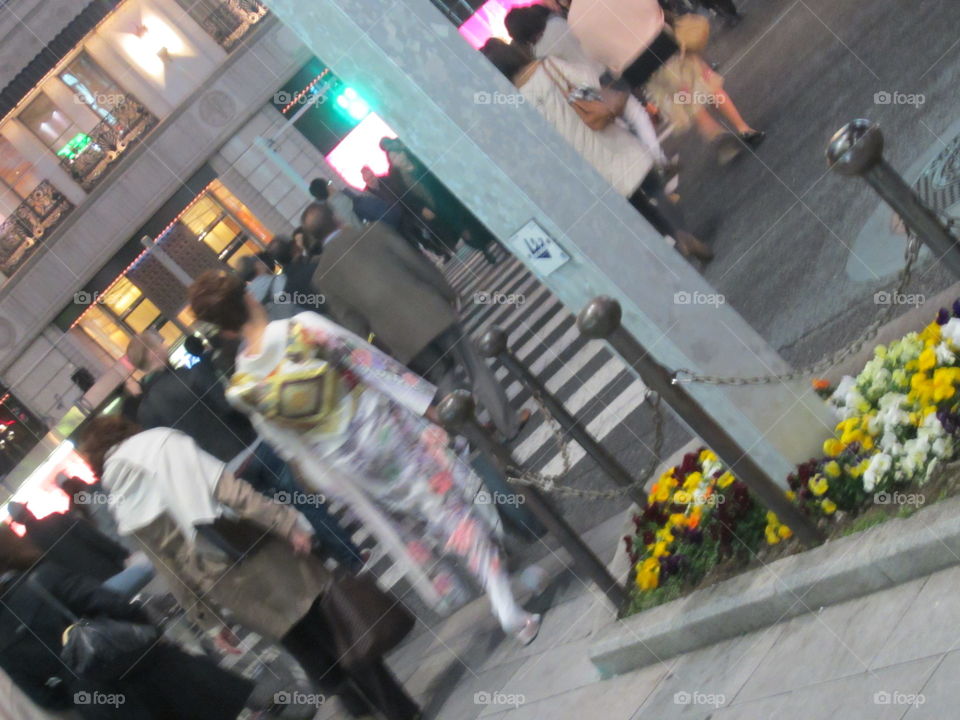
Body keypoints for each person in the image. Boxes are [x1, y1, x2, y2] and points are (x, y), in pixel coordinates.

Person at [188, 269, 542, 643]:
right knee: (452, 510)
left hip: (347, 463)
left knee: (425, 522)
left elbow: (288, 444)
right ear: (250, 297)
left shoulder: (242, 388)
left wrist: (329, 483)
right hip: (387, 432)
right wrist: (430, 407)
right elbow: (373, 365)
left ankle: (511, 581)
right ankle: (507, 608)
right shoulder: (302, 328)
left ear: (224, 330)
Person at [78, 417, 420, 720]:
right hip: (261, 554)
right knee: (338, 629)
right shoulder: (162, 444)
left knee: (306, 651)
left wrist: (209, 621)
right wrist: (286, 523)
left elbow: (169, 569)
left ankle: (361, 711)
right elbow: (233, 493)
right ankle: (400, 712)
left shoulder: (120, 497)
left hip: (225, 582)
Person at [126, 331, 364, 572]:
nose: (165, 343)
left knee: (276, 521)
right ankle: (351, 557)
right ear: (153, 352)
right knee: (305, 502)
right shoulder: (192, 374)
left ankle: (324, 570)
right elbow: (227, 406)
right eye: (160, 342)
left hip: (225, 474)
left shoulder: (147, 413)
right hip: (250, 447)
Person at [0, 526, 281, 720]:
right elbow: (115, 605)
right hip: (143, 664)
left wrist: (82, 692)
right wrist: (150, 634)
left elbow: (43, 696)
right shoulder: (43, 580)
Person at [302, 203, 530, 440]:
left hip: (397, 336)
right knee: (474, 365)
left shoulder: (322, 277)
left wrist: (379, 348)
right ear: (336, 217)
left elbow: (353, 324)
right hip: (429, 309)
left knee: (444, 380)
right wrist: (447, 292)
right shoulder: (373, 232)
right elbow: (415, 262)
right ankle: (508, 423)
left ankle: (485, 441)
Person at [481, 39, 712, 261]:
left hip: (584, 163)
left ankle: (674, 238)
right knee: (654, 188)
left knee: (636, 207)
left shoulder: (515, 103)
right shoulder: (548, 66)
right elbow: (590, 80)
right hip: (606, 136)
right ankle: (683, 233)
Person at [567, 0, 762, 163]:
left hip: (636, 68)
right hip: (660, 43)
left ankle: (714, 133)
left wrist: (618, 61)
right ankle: (743, 128)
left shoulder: (574, 19)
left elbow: (593, 52)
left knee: (684, 97)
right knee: (706, 83)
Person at [6, 501, 152, 598]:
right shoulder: (56, 519)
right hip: (107, 569)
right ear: (28, 509)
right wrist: (122, 553)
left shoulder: (31, 548)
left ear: (17, 522)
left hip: (87, 590)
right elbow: (92, 537)